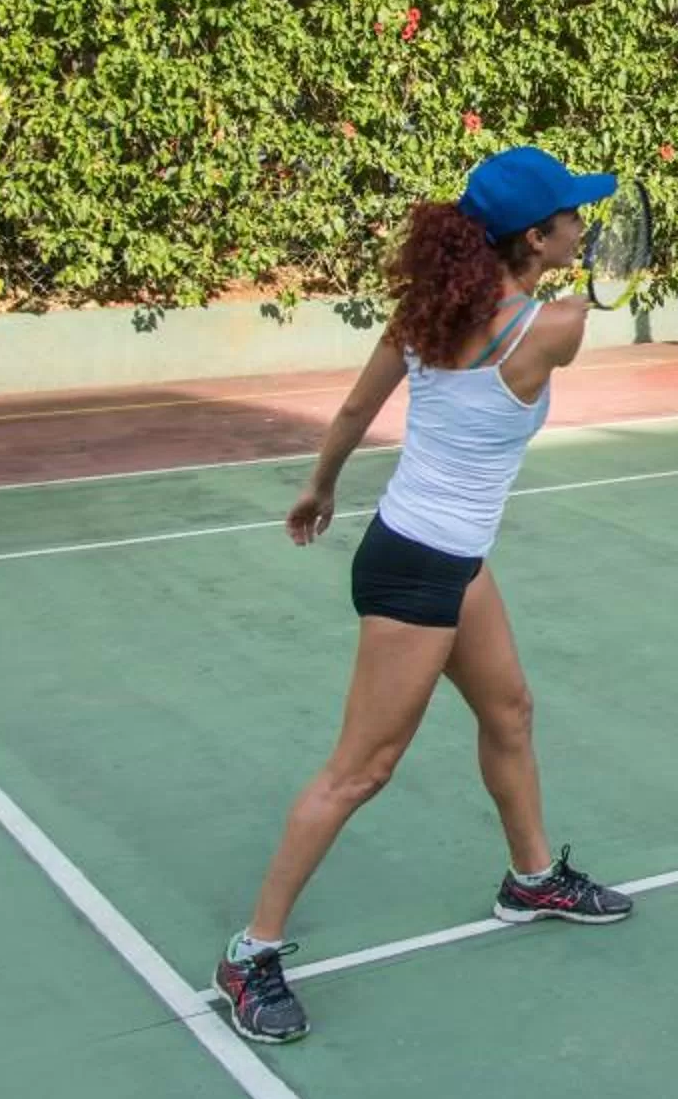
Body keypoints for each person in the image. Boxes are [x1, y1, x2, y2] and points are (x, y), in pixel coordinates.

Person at [214, 145, 635, 1045]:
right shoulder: (555, 327)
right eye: (571, 215)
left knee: (509, 710)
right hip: (418, 571)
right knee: (360, 771)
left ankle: (531, 879)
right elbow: (571, 311)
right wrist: (600, 288)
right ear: (536, 236)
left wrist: (320, 486)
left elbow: (353, 411)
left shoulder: (428, 311)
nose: (583, 225)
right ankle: (252, 953)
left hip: (441, 552)